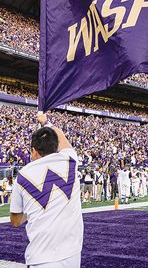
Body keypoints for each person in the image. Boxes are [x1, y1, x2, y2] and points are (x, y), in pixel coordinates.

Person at [9, 112, 84, 267]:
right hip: (72, 255)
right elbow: (61, 135)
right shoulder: (70, 161)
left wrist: (34, 209)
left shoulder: (23, 176)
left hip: (41, 258)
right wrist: (45, 122)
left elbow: (15, 221)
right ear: (55, 147)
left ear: (34, 151)